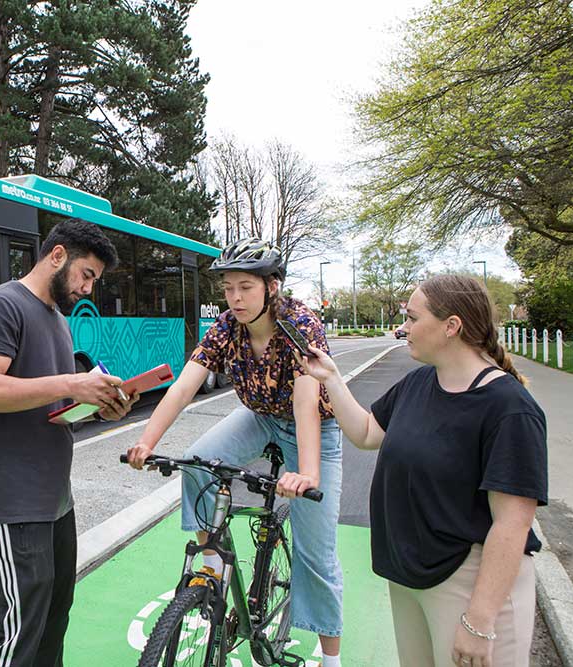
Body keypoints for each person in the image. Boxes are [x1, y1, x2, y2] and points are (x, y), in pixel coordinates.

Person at [298, 274, 547, 667]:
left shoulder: (509, 408)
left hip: (470, 585)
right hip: (410, 578)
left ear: (451, 326)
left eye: (413, 318)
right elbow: (365, 433)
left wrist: (480, 621)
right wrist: (329, 377)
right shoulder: (418, 383)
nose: (404, 328)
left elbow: (512, 524)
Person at [126, 237, 345, 666]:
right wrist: (147, 442)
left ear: (272, 286)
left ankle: (332, 655)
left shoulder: (300, 325)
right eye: (228, 288)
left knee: (315, 550)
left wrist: (309, 474)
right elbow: (185, 385)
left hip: (314, 426)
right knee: (197, 462)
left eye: (245, 286)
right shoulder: (227, 326)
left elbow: (306, 405)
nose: (235, 297)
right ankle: (212, 564)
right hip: (259, 416)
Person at [0, 218, 138, 667]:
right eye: (87, 275)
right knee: (20, 629)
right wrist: (71, 382)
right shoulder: (1, 306)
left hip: (55, 498)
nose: (89, 288)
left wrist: (99, 407)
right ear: (57, 255)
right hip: (11, 498)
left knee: (53, 621)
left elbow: (53, 404)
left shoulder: (58, 319)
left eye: (94, 280)